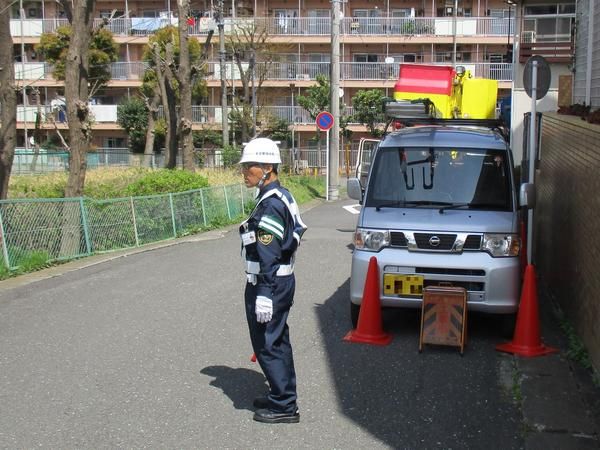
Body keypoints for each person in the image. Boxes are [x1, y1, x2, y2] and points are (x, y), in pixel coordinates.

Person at [238, 137, 307, 424]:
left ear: (267, 167)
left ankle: (284, 406)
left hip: (269, 283)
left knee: (269, 343)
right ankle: (282, 395)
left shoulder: (270, 206)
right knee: (277, 340)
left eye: (249, 166)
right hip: (278, 281)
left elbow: (268, 251)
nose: (244, 172)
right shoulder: (281, 196)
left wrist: (264, 292)